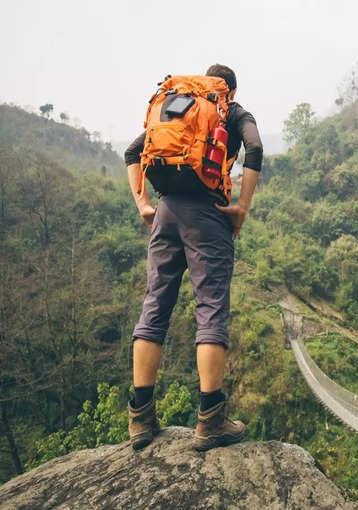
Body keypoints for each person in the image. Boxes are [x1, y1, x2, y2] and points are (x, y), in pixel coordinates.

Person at [124, 64, 263, 451]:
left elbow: (133, 150)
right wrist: (242, 207)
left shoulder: (177, 105)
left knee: (155, 306)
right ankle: (211, 419)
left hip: (165, 213)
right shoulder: (231, 111)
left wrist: (143, 204)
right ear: (229, 90)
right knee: (211, 308)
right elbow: (255, 147)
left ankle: (140, 418)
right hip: (208, 216)